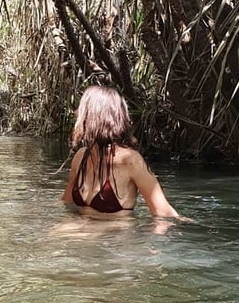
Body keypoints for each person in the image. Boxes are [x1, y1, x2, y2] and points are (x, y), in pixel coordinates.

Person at [62, 85, 179, 218]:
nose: (76, 112)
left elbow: (163, 212)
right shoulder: (80, 157)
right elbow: (68, 204)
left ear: (94, 117)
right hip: (82, 230)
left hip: (115, 235)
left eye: (81, 109)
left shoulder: (131, 161)